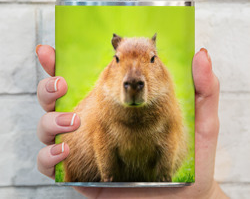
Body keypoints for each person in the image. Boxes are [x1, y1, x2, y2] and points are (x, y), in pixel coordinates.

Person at [35, 45, 228, 199]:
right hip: (91, 173)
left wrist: (203, 194)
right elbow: (101, 136)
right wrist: (108, 177)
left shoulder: (165, 98)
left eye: (152, 59)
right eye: (118, 59)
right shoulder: (105, 98)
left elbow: (170, 135)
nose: (134, 76)